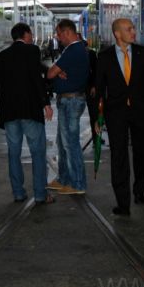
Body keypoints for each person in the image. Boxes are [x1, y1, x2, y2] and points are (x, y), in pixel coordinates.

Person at [93, 17, 144, 216]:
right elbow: (98, 89)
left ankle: (139, 190)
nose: (133, 32)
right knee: (118, 156)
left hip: (141, 113)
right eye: (129, 29)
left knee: (142, 153)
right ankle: (123, 203)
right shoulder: (104, 57)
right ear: (117, 34)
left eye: (133, 29)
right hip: (116, 114)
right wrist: (97, 117)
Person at [0, 22, 55, 204]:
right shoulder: (32, 51)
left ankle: (18, 193)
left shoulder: (1, 57)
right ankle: (40, 194)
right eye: (30, 33)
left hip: (9, 113)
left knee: (13, 153)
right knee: (38, 153)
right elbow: (35, 78)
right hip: (30, 110)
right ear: (25, 35)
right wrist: (46, 103)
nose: (32, 36)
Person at [45, 18, 90, 195]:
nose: (57, 37)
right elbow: (55, 73)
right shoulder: (75, 50)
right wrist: (59, 72)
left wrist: (57, 72)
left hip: (71, 101)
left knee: (70, 143)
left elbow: (49, 74)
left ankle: (77, 184)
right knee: (62, 142)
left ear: (67, 32)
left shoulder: (72, 50)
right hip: (68, 100)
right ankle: (64, 179)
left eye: (59, 33)